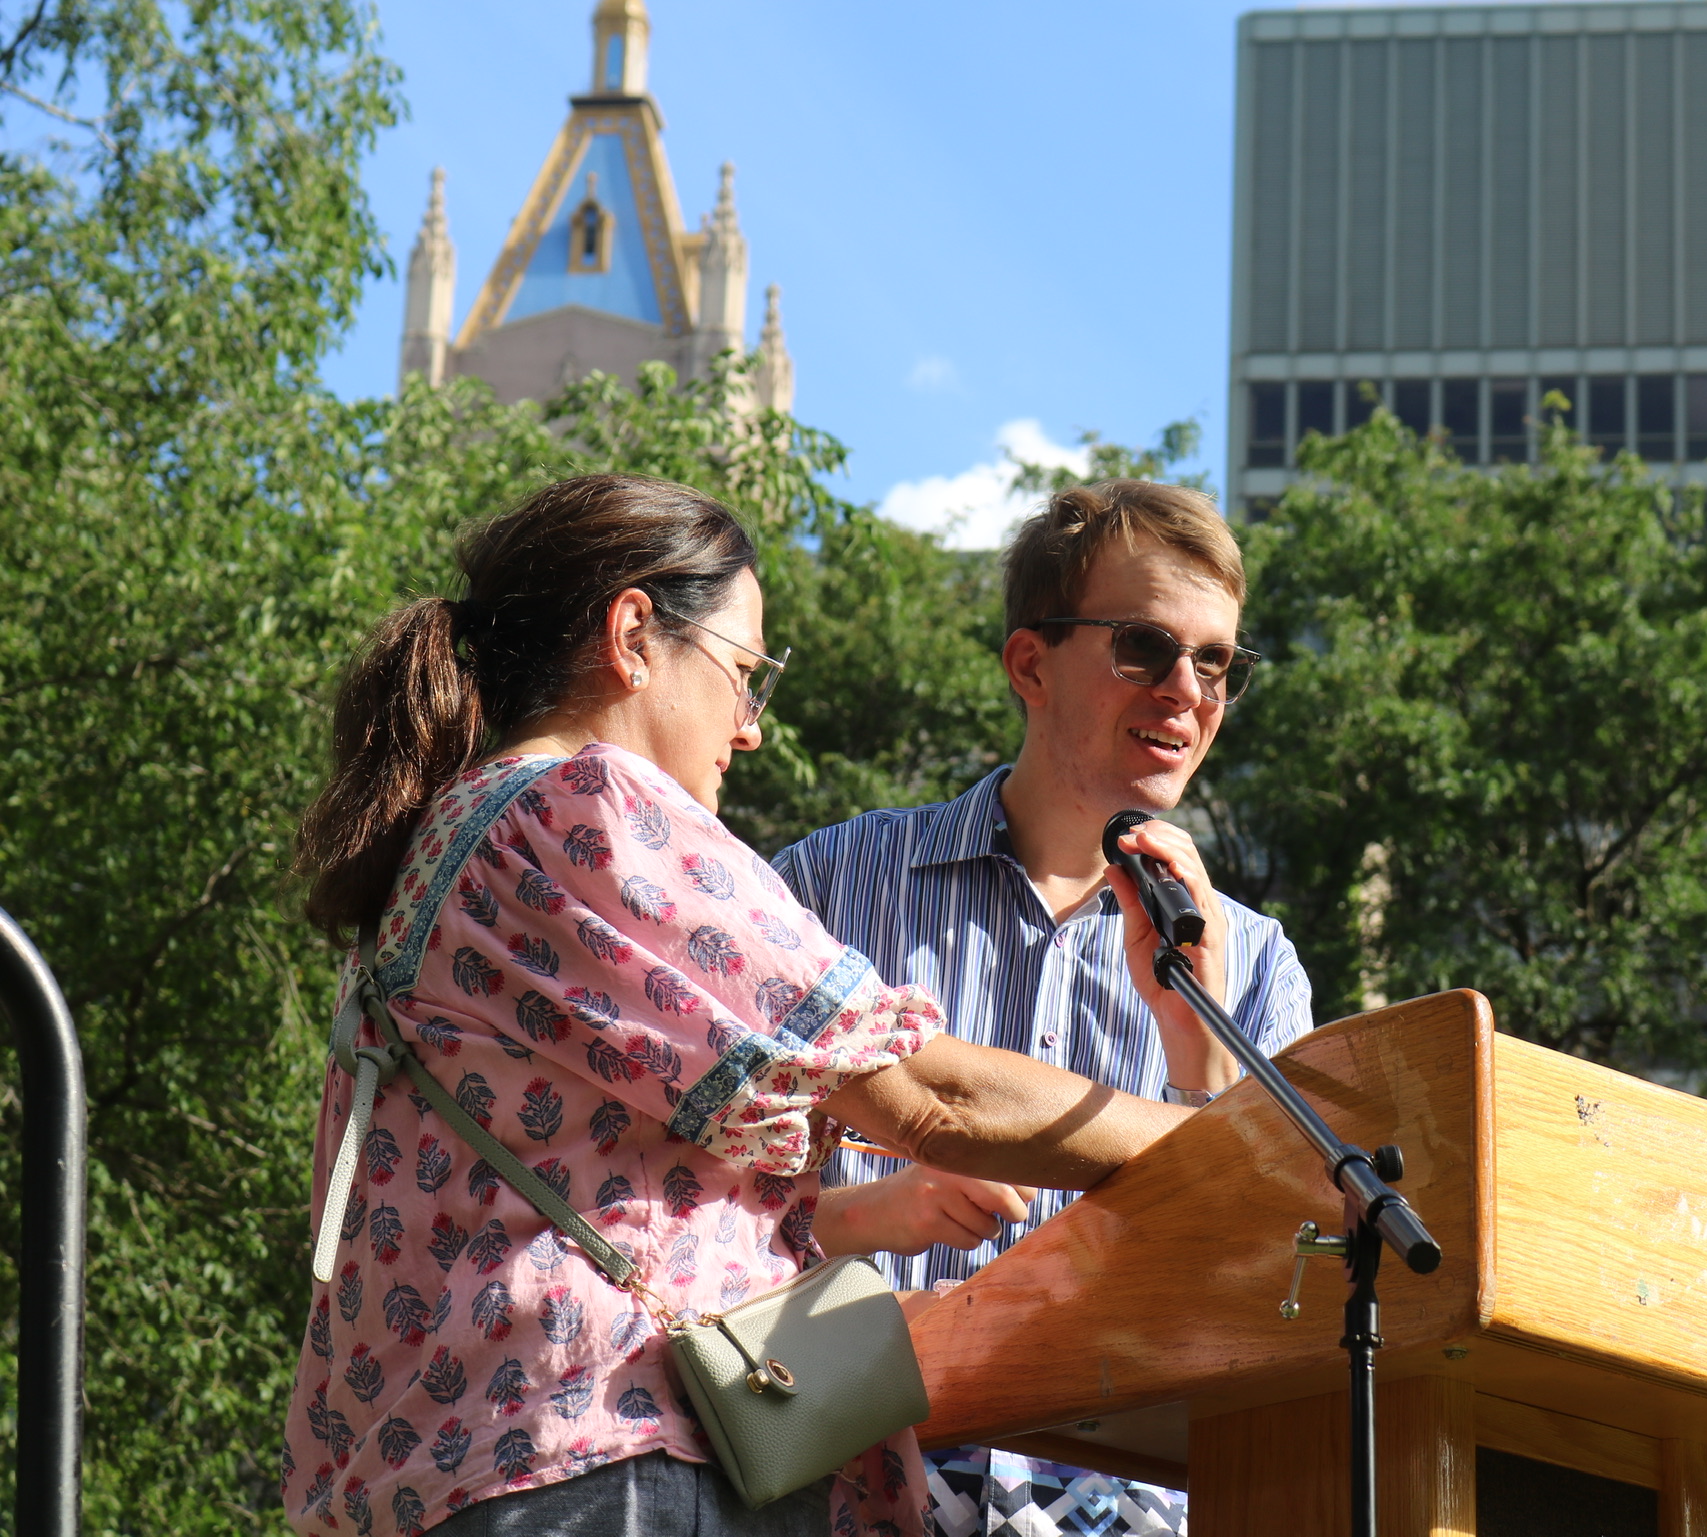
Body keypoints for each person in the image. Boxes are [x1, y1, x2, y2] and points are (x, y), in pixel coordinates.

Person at [282, 474, 1195, 1537]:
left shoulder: (443, 850)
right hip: (608, 1461)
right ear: (633, 636)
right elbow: (923, 1093)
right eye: (744, 674)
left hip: (460, 1471)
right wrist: (1232, 1145)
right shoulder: (585, 805)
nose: (750, 729)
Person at [775, 478, 1315, 1535]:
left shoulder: (1256, 963)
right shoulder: (828, 885)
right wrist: (869, 1217)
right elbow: (691, 1216)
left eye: (1217, 663)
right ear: (1030, 663)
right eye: (1146, 648)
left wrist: (1197, 1043)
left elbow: (1276, 1286)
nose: (1187, 690)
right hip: (848, 1474)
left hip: (1132, 1501)